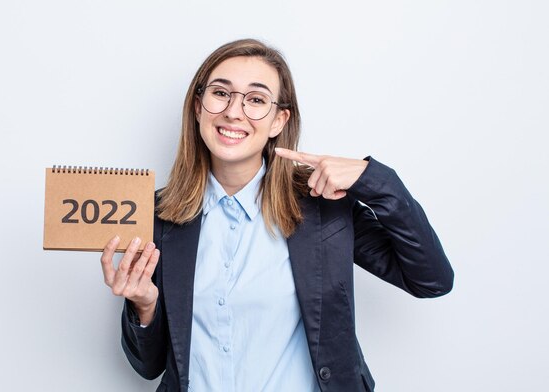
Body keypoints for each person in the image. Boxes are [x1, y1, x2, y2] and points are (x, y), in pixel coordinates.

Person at [99, 38, 454, 392]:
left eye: (256, 99)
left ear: (278, 120)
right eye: (220, 93)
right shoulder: (158, 215)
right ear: (198, 107)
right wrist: (144, 306)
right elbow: (149, 367)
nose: (233, 112)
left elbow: (432, 280)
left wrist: (374, 179)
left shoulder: (324, 207)